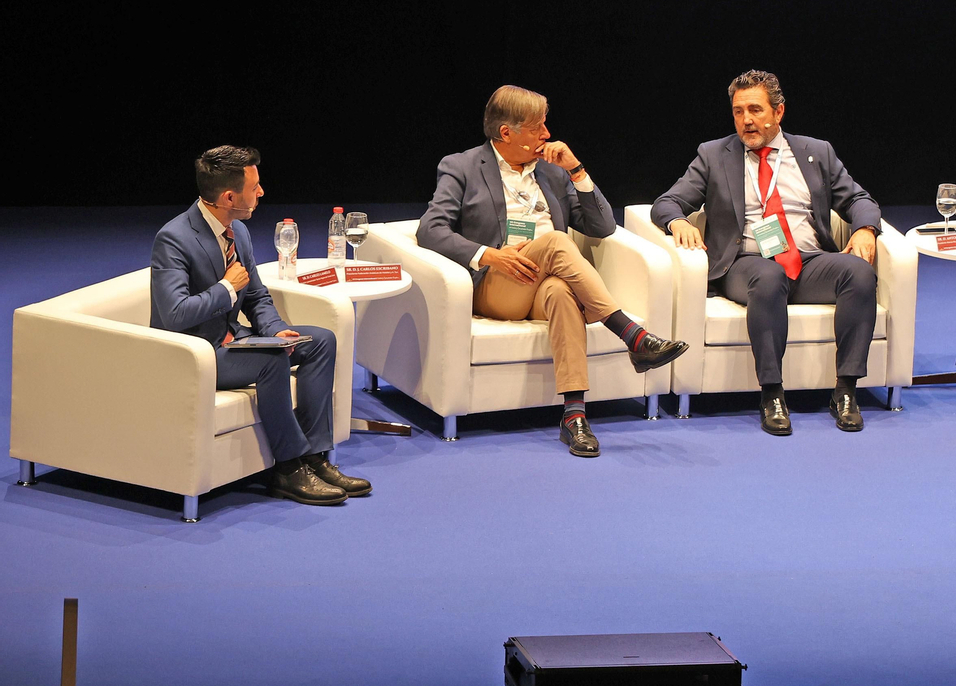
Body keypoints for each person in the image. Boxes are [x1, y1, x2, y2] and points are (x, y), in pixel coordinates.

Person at [417, 85, 687, 457]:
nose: (547, 134)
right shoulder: (462, 167)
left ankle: (574, 417)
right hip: (497, 287)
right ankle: (632, 335)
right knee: (559, 242)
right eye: (537, 127)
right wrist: (490, 256)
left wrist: (576, 170)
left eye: (546, 125)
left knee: (562, 293)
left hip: (546, 284)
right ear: (506, 133)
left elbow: (603, 226)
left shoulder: (552, 173)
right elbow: (430, 229)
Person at [651, 69, 881, 435]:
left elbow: (857, 198)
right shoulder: (713, 155)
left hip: (808, 260)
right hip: (745, 264)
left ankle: (846, 390)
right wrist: (678, 221)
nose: (746, 120)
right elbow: (667, 202)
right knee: (769, 276)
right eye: (739, 111)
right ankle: (772, 392)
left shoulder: (815, 152)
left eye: (756, 110)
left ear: (779, 112)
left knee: (859, 272)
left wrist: (866, 229)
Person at [150, 145, 370, 505]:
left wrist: (275, 330)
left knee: (320, 341)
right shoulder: (174, 239)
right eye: (255, 187)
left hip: (234, 341)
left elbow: (256, 298)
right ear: (229, 196)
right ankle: (288, 469)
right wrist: (225, 288)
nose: (261, 192)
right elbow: (174, 314)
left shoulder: (237, 231)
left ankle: (315, 456)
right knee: (271, 360)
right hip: (195, 351)